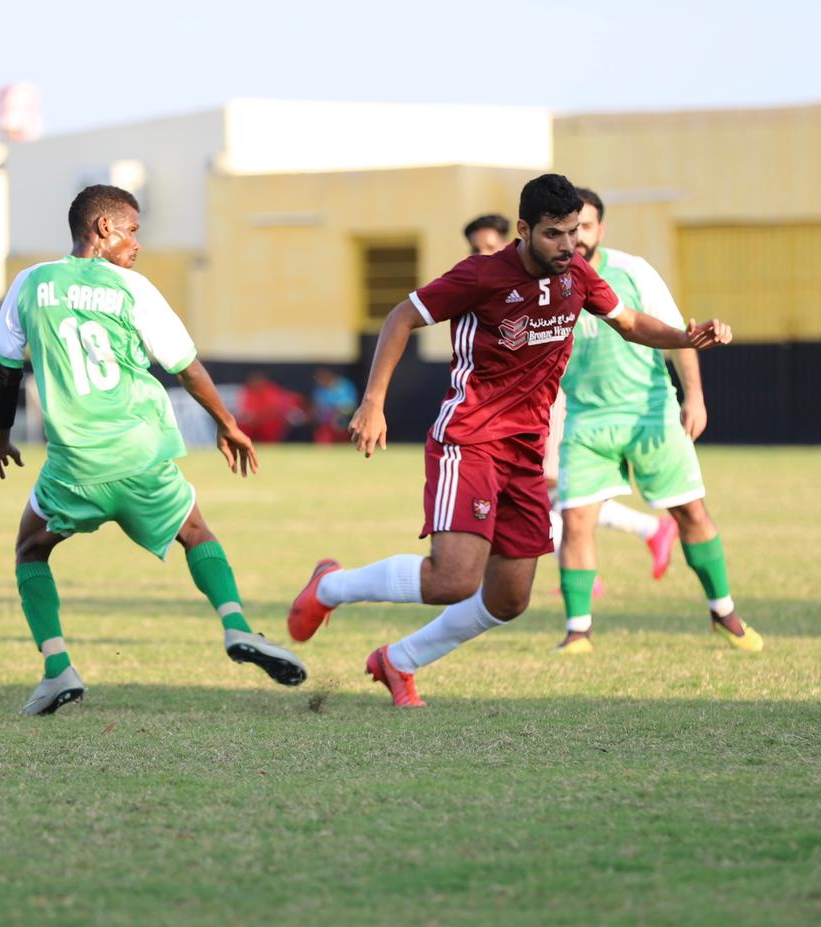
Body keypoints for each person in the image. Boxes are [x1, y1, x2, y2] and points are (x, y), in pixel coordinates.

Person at [286, 174, 733, 707]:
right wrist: (373, 402)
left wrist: (688, 337)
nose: (567, 245)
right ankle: (331, 586)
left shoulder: (578, 275)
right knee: (453, 580)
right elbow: (402, 316)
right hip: (469, 439)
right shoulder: (482, 275)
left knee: (509, 599)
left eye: (573, 232)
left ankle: (398, 660)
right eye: (553, 234)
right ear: (523, 230)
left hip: (526, 452)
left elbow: (630, 322)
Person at [0, 185, 306, 716]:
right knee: (196, 532)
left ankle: (57, 667)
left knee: (30, 550)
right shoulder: (133, 289)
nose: (137, 243)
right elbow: (187, 368)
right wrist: (227, 423)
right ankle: (236, 627)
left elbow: (6, 369)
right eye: (132, 231)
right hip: (140, 451)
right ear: (102, 228)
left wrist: (0, 438)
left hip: (75, 463)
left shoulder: (30, 282)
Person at [554, 188, 762, 655]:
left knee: (691, 513)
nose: (577, 236)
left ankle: (724, 612)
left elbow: (677, 334)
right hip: (585, 420)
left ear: (600, 229)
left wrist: (695, 397)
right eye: (568, 228)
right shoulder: (546, 283)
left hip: (650, 414)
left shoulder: (632, 271)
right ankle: (578, 632)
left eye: (585, 226)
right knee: (576, 521)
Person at [463, 214, 675, 597]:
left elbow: (615, 321)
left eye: (490, 245)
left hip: (549, 397)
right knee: (552, 493)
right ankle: (642, 535)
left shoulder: (539, 276)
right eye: (476, 248)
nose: (483, 253)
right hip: (514, 402)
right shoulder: (484, 283)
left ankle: (593, 568)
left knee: (552, 489)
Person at [238, 371, 306, 443]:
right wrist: (252, 418)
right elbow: (247, 409)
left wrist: (259, 418)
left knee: (271, 425)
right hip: (255, 422)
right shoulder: (249, 392)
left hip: (271, 421)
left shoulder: (271, 390)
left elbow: (274, 410)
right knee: (242, 426)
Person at [311, 368, 357, 444]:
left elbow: (349, 405)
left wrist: (336, 411)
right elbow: (316, 407)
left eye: (323, 376)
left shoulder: (343, 386)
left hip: (343, 417)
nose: (320, 380)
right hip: (324, 421)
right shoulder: (319, 390)